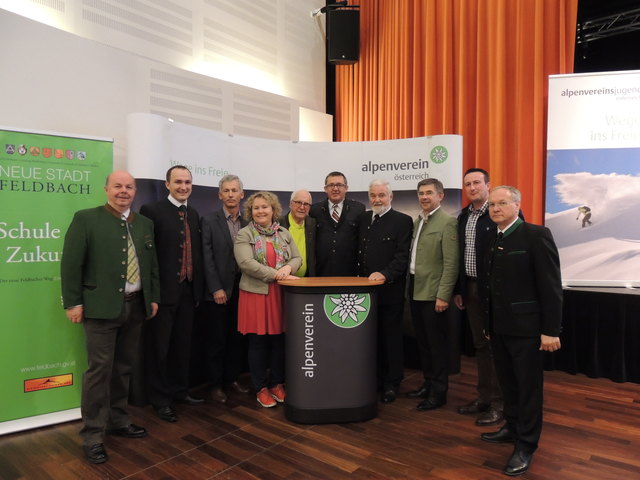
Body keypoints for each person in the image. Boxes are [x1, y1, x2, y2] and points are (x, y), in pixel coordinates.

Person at [61, 170, 160, 464]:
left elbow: (150, 265)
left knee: (123, 368)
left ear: (135, 191)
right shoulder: (86, 219)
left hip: (136, 307)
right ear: (106, 189)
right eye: (118, 186)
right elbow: (71, 265)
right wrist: (73, 303)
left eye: (129, 187)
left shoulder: (144, 224)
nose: (123, 191)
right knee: (98, 372)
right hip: (100, 308)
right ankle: (92, 434)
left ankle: (119, 421)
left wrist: (152, 296)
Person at [480, 186, 562, 477]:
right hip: (500, 328)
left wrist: (550, 330)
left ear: (517, 204)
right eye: (492, 204)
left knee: (528, 390)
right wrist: (489, 325)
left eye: (502, 203)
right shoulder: (495, 236)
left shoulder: (536, 235)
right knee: (508, 384)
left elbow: (550, 287)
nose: (495, 208)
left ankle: (526, 445)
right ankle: (512, 428)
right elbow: (491, 288)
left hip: (527, 330)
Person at [139, 165, 204, 423]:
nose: (183, 186)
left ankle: (180, 391)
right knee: (159, 349)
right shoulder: (151, 211)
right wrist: (152, 293)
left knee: (182, 346)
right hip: (163, 295)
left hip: (188, 292)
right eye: (178, 182)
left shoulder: (194, 213)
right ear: (167, 184)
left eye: (187, 182)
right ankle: (160, 399)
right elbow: (148, 256)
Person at [234, 191, 302, 407]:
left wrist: (289, 267)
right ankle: (260, 387)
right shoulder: (245, 234)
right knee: (258, 342)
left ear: (273, 210)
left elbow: (297, 257)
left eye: (265, 207)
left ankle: (276, 384)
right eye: (256, 208)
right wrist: (277, 274)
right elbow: (246, 263)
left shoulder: (284, 233)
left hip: (281, 295)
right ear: (251, 212)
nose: (260, 211)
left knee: (279, 341)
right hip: (256, 295)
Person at [453, 168, 504, 426]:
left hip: (494, 293)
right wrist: (460, 290)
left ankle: (499, 404)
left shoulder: (498, 213)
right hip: (471, 289)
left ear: (488, 185)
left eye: (476, 183)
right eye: (467, 184)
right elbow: (461, 257)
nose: (472, 188)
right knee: (481, 346)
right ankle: (484, 398)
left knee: (495, 347)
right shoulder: (463, 217)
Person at [357, 179, 413, 403]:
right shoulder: (363, 219)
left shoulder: (402, 221)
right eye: (373, 195)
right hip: (364, 293)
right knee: (371, 338)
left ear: (391, 197)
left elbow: (402, 257)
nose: (377, 199)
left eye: (381, 195)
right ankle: (376, 379)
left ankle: (392, 383)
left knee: (391, 338)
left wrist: (385, 274)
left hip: (389, 291)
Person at [406, 178, 459, 411]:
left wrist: (443, 296)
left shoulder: (448, 223)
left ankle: (439, 392)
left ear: (440, 196)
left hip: (433, 293)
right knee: (424, 344)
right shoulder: (418, 221)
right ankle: (427, 384)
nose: (424, 197)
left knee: (436, 346)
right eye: (420, 193)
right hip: (416, 290)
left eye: (429, 193)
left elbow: (451, 263)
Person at [201, 174, 250, 403]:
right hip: (219, 292)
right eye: (226, 191)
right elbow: (206, 258)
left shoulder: (249, 222)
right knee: (216, 340)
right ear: (220, 195)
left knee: (237, 338)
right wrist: (215, 288)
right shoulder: (209, 221)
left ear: (242, 194)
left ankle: (231, 379)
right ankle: (215, 384)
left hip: (243, 290)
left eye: (235, 190)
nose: (231, 195)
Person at [309, 171, 365, 276]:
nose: (335, 188)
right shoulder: (314, 210)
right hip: (321, 271)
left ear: (346, 188)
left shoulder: (358, 209)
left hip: (350, 272)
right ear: (325, 189)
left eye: (339, 185)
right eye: (331, 185)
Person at [278, 189, 316, 277]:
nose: (302, 207)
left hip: (307, 282)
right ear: (291, 204)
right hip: (283, 280)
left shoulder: (313, 224)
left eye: (306, 204)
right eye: (298, 202)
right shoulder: (278, 224)